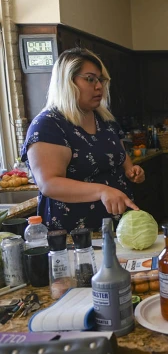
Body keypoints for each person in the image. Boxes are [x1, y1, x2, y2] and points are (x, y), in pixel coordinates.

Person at [21, 48, 145, 232]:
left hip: (117, 225)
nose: (98, 86)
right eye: (90, 79)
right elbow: (49, 183)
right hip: (75, 232)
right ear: (67, 81)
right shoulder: (49, 125)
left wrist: (131, 169)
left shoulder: (104, 119)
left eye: (100, 80)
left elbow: (119, 155)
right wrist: (102, 190)